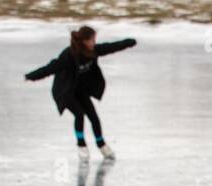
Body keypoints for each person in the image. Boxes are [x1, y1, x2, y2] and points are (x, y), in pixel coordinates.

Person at [25, 26, 136, 162]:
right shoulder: (70, 55)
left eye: (95, 40)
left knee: (93, 117)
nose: (94, 43)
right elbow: (52, 67)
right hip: (66, 90)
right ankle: (81, 145)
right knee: (79, 114)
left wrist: (128, 42)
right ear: (84, 41)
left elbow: (110, 47)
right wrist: (32, 76)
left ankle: (101, 144)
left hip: (80, 90)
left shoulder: (93, 51)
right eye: (92, 40)